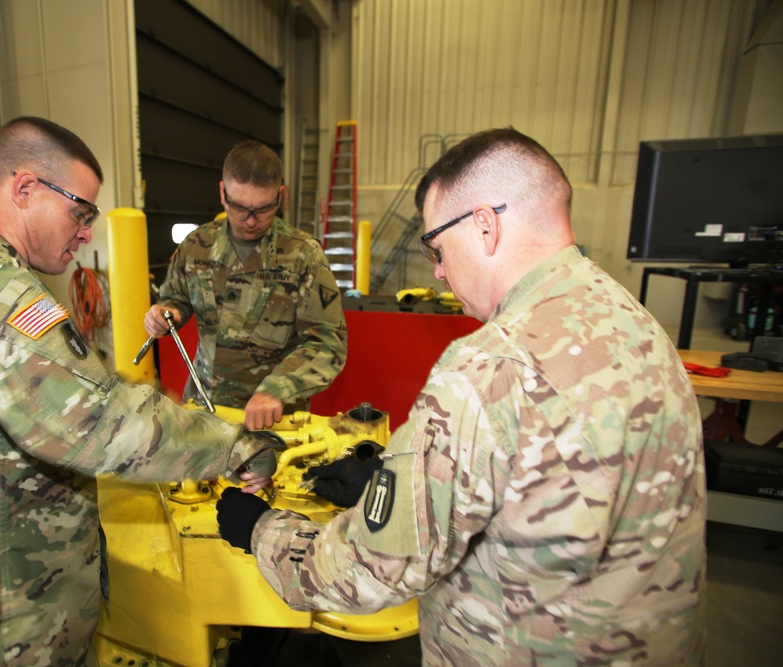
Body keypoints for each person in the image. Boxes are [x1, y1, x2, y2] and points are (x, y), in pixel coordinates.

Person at [216, 128, 707, 665]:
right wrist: (404, 476)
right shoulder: (635, 322)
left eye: (437, 247)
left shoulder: (489, 368)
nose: (440, 270)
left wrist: (261, 530)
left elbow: (367, 572)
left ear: (484, 224)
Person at [0, 116, 276, 666]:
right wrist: (235, 446)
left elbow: (81, 392)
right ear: (24, 189)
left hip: (16, 602)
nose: (87, 231)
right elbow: (102, 423)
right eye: (80, 211)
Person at [144, 140, 347, 431]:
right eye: (240, 208)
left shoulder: (304, 255)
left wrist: (278, 387)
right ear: (222, 193)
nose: (251, 221)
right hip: (204, 410)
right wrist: (166, 313)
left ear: (281, 196)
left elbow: (327, 341)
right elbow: (175, 297)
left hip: (273, 421)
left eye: (264, 209)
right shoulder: (196, 246)